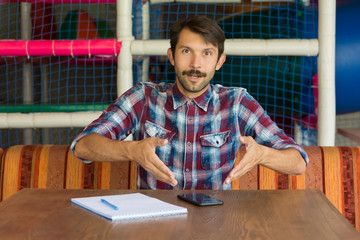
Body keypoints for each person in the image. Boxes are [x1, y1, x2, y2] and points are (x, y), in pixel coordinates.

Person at [71, 15, 308, 190]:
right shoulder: (143, 97)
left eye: (206, 53)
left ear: (219, 61)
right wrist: (132, 150)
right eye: (186, 51)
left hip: (217, 221)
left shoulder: (237, 102)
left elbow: (298, 162)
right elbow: (82, 146)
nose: (196, 64)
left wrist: (262, 155)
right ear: (172, 56)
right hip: (154, 222)